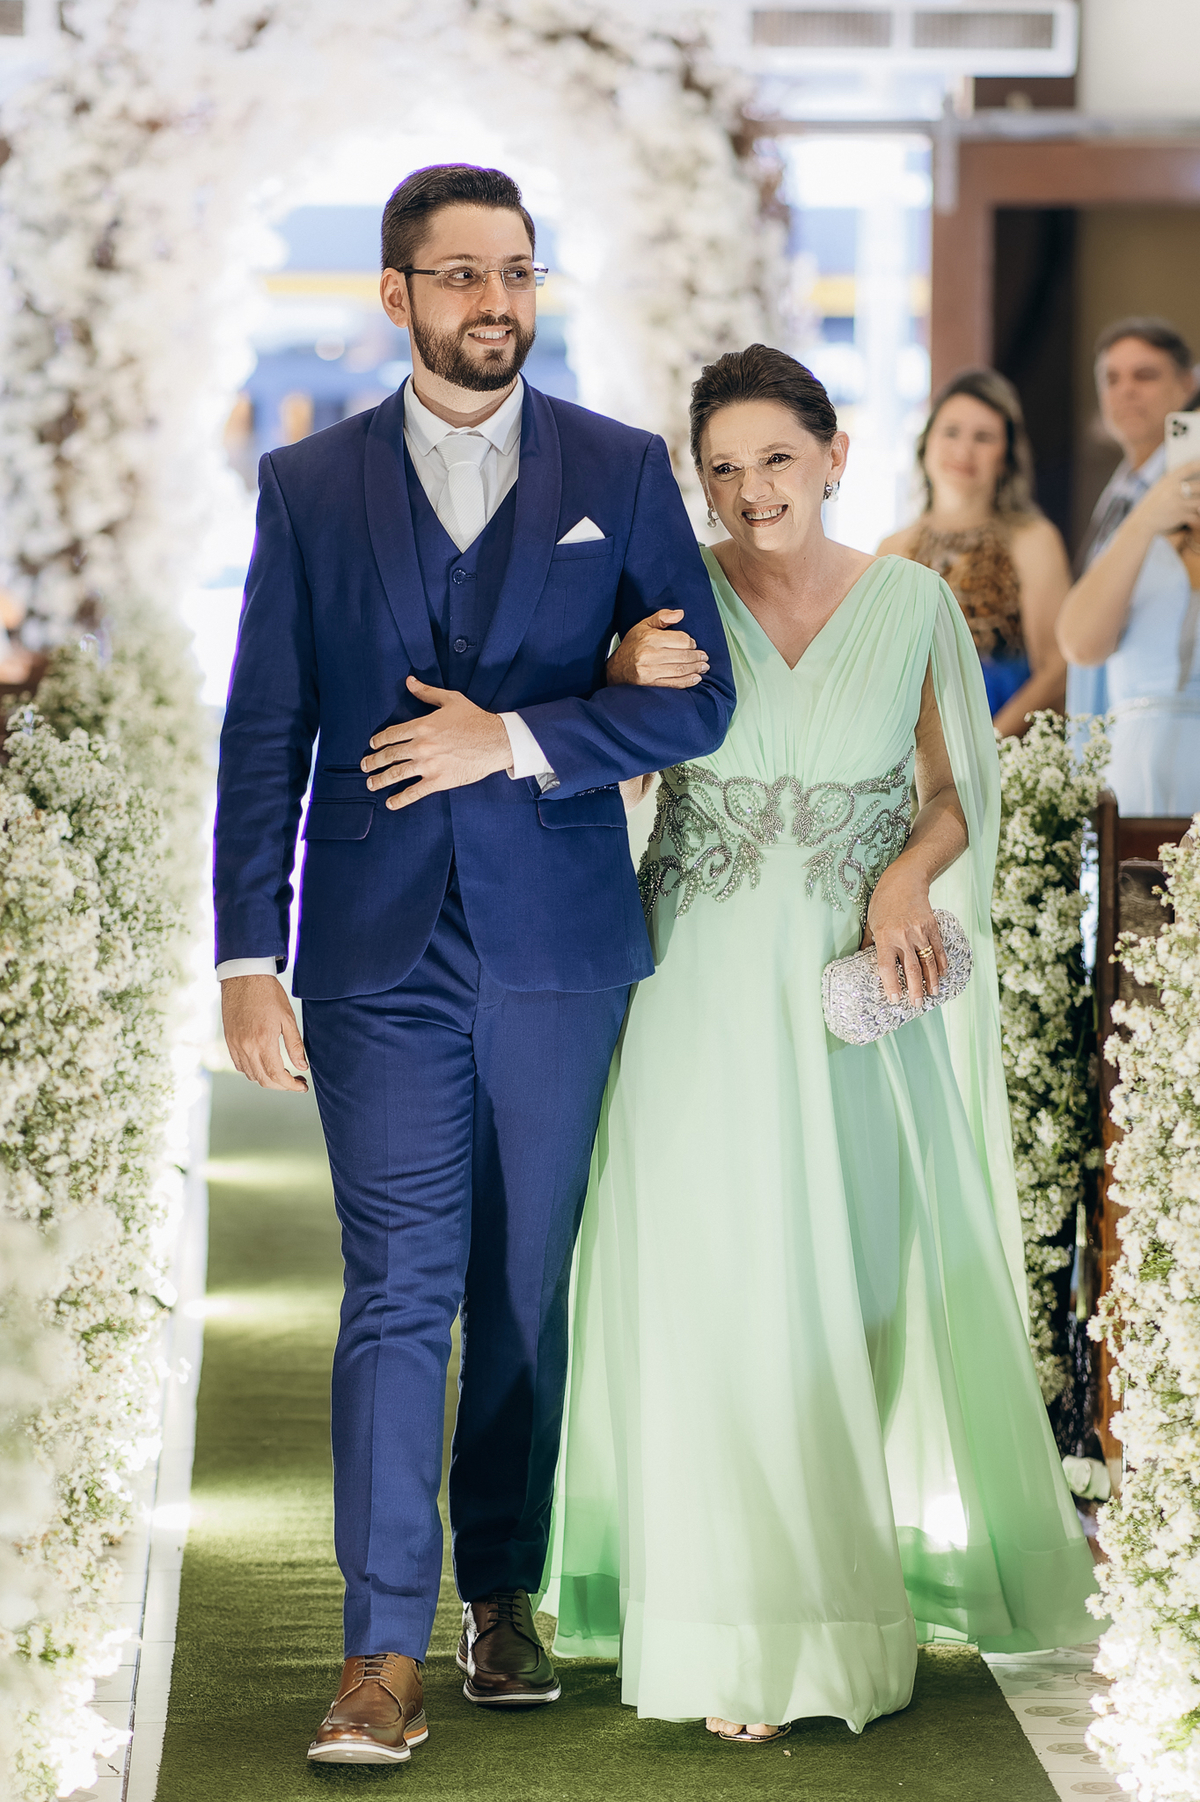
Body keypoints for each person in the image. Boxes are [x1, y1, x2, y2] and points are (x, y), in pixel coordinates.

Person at [213, 163, 735, 1766]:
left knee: (521, 1290)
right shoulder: (309, 487)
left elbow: (698, 703)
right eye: (459, 276)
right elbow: (265, 731)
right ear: (397, 298)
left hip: (563, 942)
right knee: (398, 1288)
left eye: (515, 271)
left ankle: (499, 1590)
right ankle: (378, 1649)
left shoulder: (620, 468)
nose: (494, 300)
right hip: (377, 951)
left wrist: (511, 734)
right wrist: (246, 950)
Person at [546, 345, 1097, 1743]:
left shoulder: (911, 601)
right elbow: (594, 750)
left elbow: (953, 792)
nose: (748, 491)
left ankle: (836, 1598)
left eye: (774, 459)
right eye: (721, 469)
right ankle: (726, 1616)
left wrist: (907, 875)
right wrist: (615, 666)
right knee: (713, 1288)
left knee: (852, 1288)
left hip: (850, 1000)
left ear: (836, 454)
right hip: (697, 990)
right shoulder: (670, 604)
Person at [1056, 316, 1200, 815]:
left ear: (1189, 383)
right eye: (1112, 378)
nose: (1126, 391)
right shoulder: (1120, 496)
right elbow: (1081, 641)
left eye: (1145, 375)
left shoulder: (1190, 488)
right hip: (1120, 753)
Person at [879, 368, 1070, 737]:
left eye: (984, 437)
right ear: (926, 442)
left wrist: (985, 748)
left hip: (1008, 754)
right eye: (951, 432)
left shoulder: (1033, 539)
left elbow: (1056, 670)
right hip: (911, 758)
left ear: (1006, 456)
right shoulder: (893, 548)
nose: (964, 450)